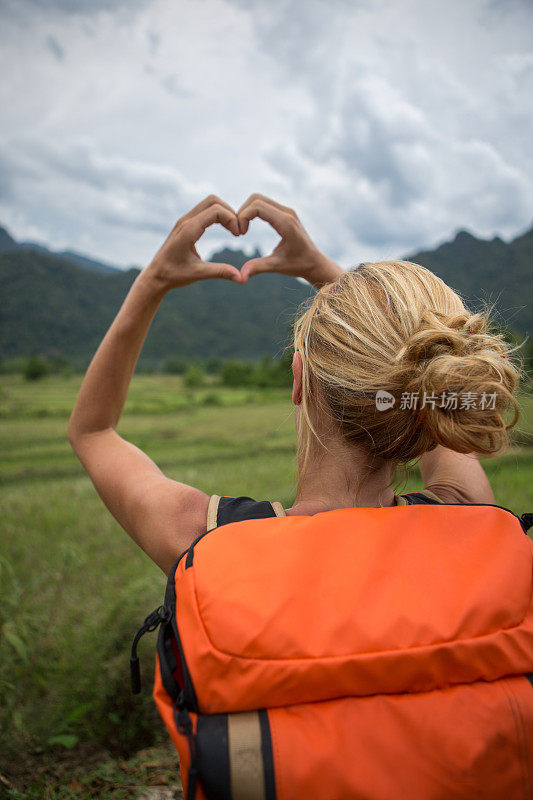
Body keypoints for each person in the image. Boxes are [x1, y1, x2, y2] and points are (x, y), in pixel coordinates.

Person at [68, 193, 521, 576]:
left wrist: (153, 281)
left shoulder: (202, 539)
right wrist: (326, 273)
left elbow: (92, 431)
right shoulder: (467, 513)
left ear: (299, 377)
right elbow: (416, 378)